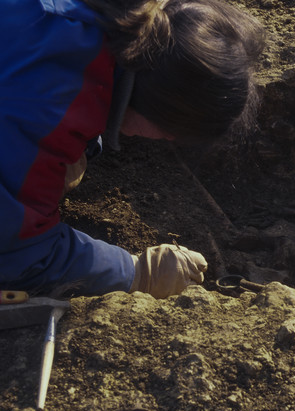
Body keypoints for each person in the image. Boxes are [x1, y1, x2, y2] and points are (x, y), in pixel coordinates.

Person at [0, 0, 265, 298]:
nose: (167, 139)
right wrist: (136, 272)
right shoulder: (50, 99)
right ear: (165, 104)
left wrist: (78, 146)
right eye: (171, 133)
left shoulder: (103, 21)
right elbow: (17, 256)